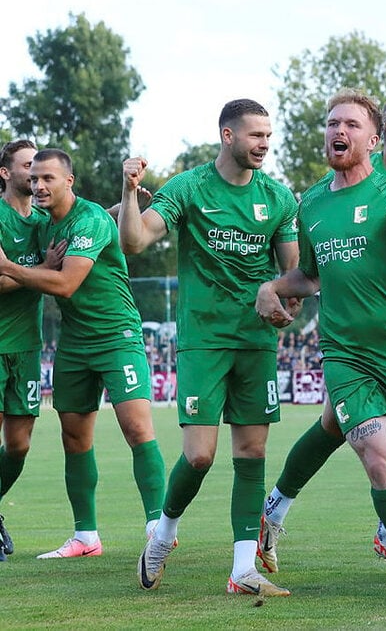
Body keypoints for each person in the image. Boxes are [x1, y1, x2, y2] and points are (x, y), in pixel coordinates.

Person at [255, 88, 386, 602]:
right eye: (331, 124)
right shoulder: (312, 203)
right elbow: (309, 276)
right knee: (379, 458)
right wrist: (272, 287)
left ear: (373, 136)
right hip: (344, 355)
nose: (337, 132)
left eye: (349, 125)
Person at [119, 99, 299, 597]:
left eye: (268, 135)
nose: (264, 144)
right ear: (227, 136)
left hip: (256, 343)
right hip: (203, 340)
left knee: (252, 450)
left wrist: (285, 303)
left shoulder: (279, 198)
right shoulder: (189, 187)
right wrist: (129, 192)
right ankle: (164, 533)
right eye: (255, 135)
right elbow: (134, 242)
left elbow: (294, 275)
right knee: (199, 456)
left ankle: (243, 569)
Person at [0, 148, 166, 559]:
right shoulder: (42, 224)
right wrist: (122, 204)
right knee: (74, 437)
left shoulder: (89, 219)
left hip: (115, 335)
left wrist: (11, 267)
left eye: (47, 178)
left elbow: (66, 283)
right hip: (72, 342)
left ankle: (158, 524)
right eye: (34, 178)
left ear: (68, 181)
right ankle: (85, 536)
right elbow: (72, 235)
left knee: (137, 428)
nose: (38, 185)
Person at [0, 139, 53, 561]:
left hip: (27, 348)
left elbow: (82, 224)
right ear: (6, 173)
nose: (35, 174)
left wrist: (126, 203)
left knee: (18, 446)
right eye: (27, 167)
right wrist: (47, 270)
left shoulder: (41, 220)